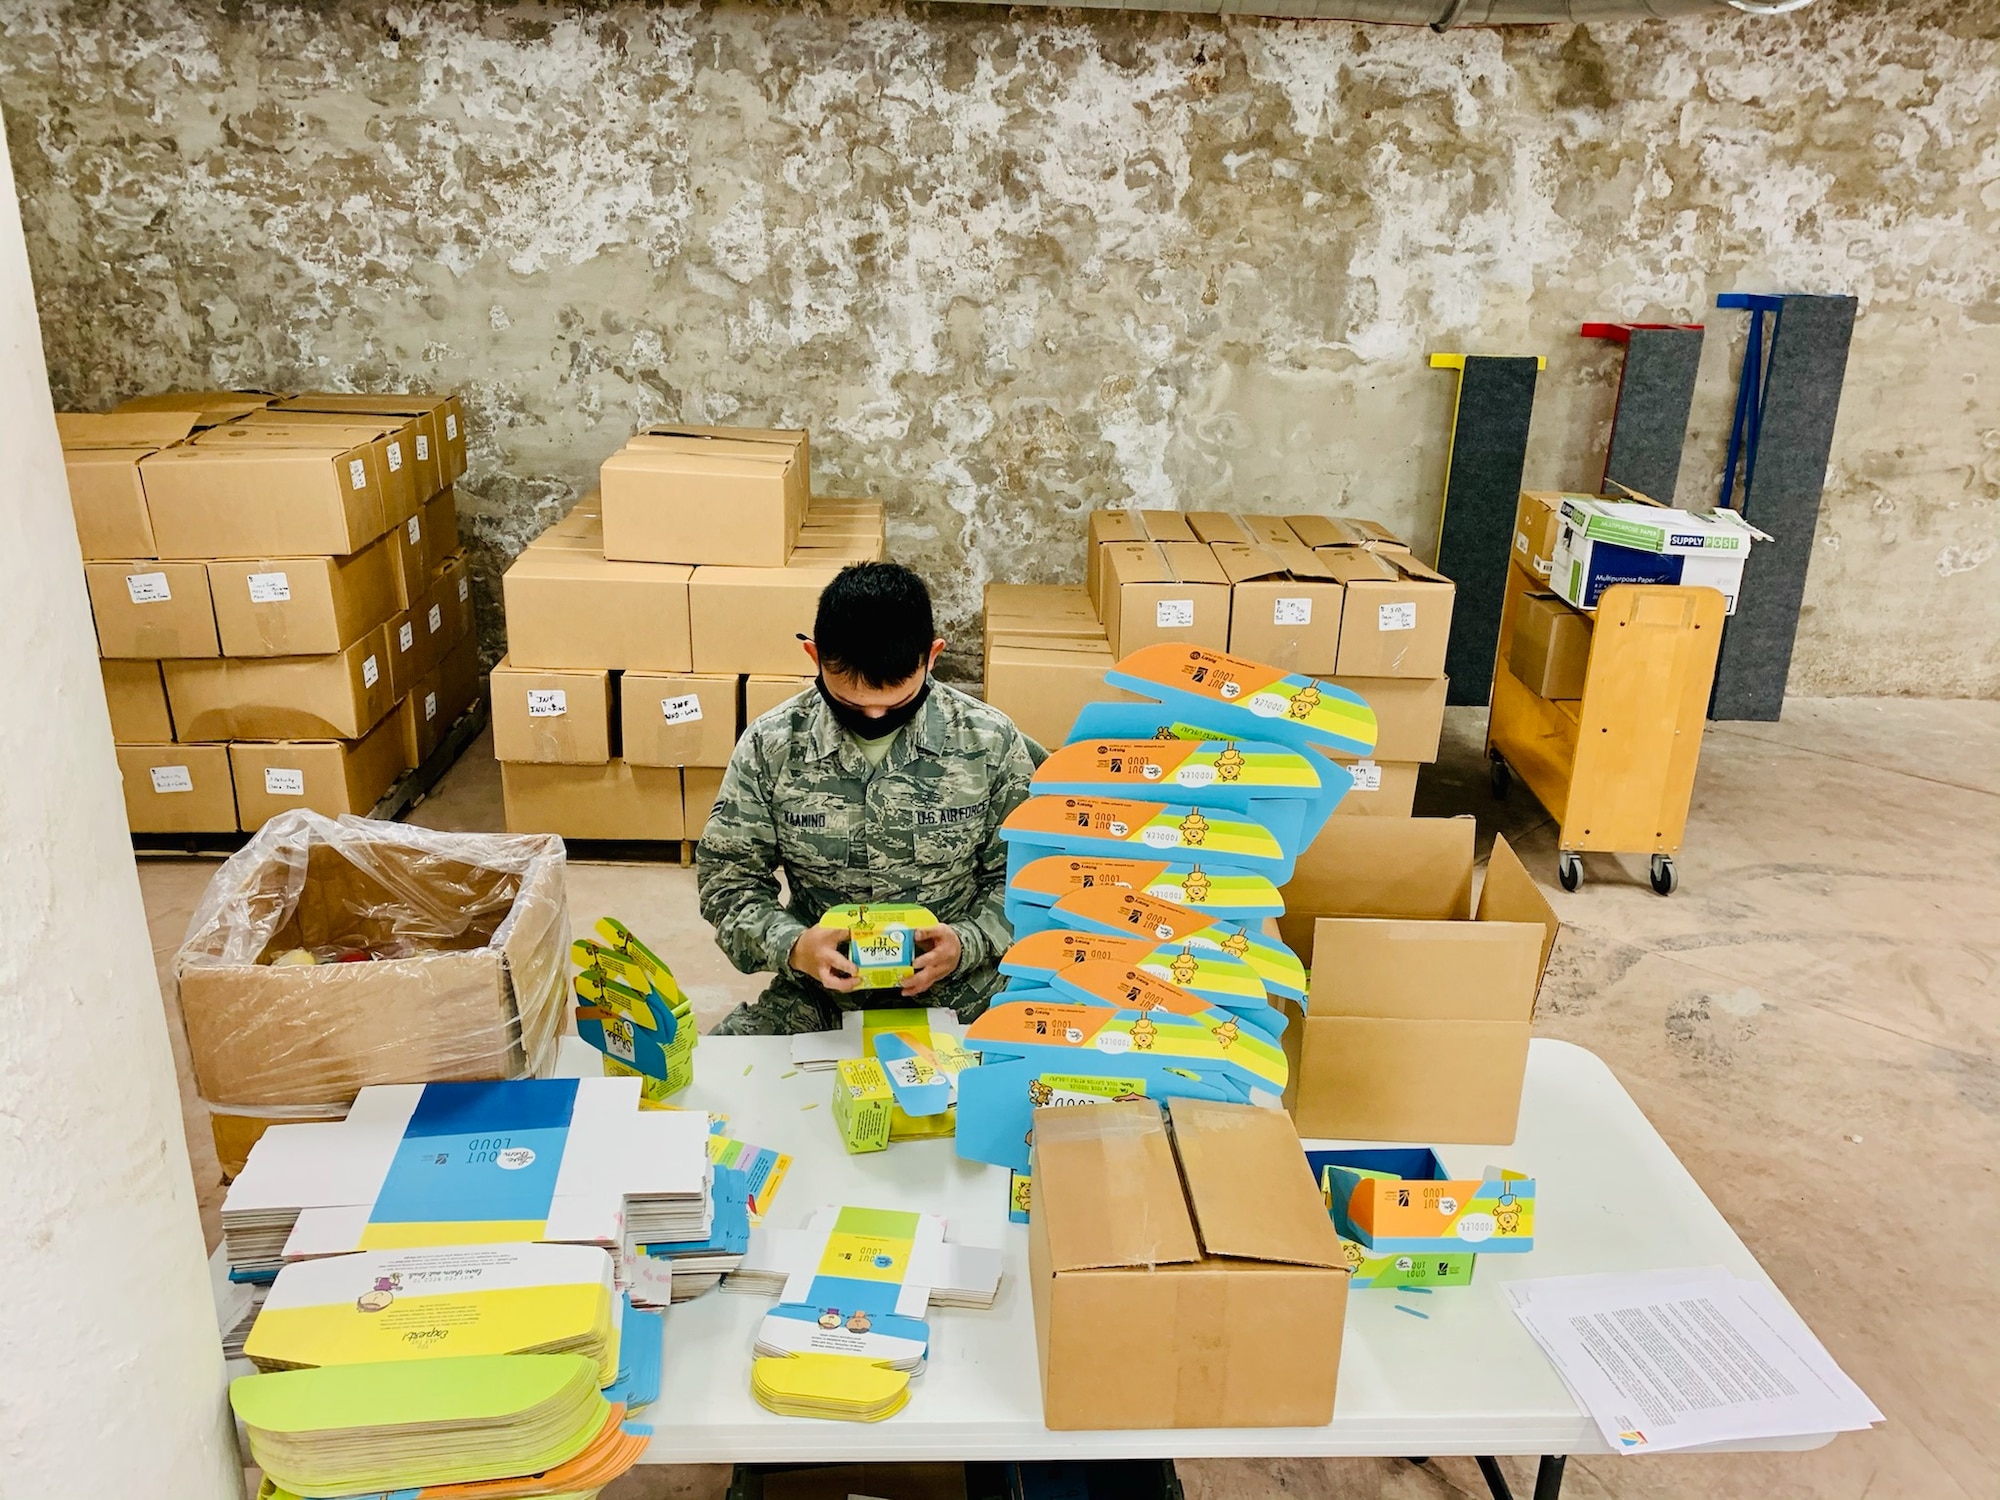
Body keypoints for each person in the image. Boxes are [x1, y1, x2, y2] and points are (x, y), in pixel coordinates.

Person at [697, 561, 1039, 1035]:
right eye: (851, 704)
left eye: (897, 703)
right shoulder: (771, 746)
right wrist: (795, 946)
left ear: (932, 656)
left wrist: (970, 942)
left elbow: (1031, 880)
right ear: (814, 656)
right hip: (820, 996)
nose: (875, 715)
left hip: (965, 990)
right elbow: (729, 882)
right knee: (725, 1082)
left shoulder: (990, 742)